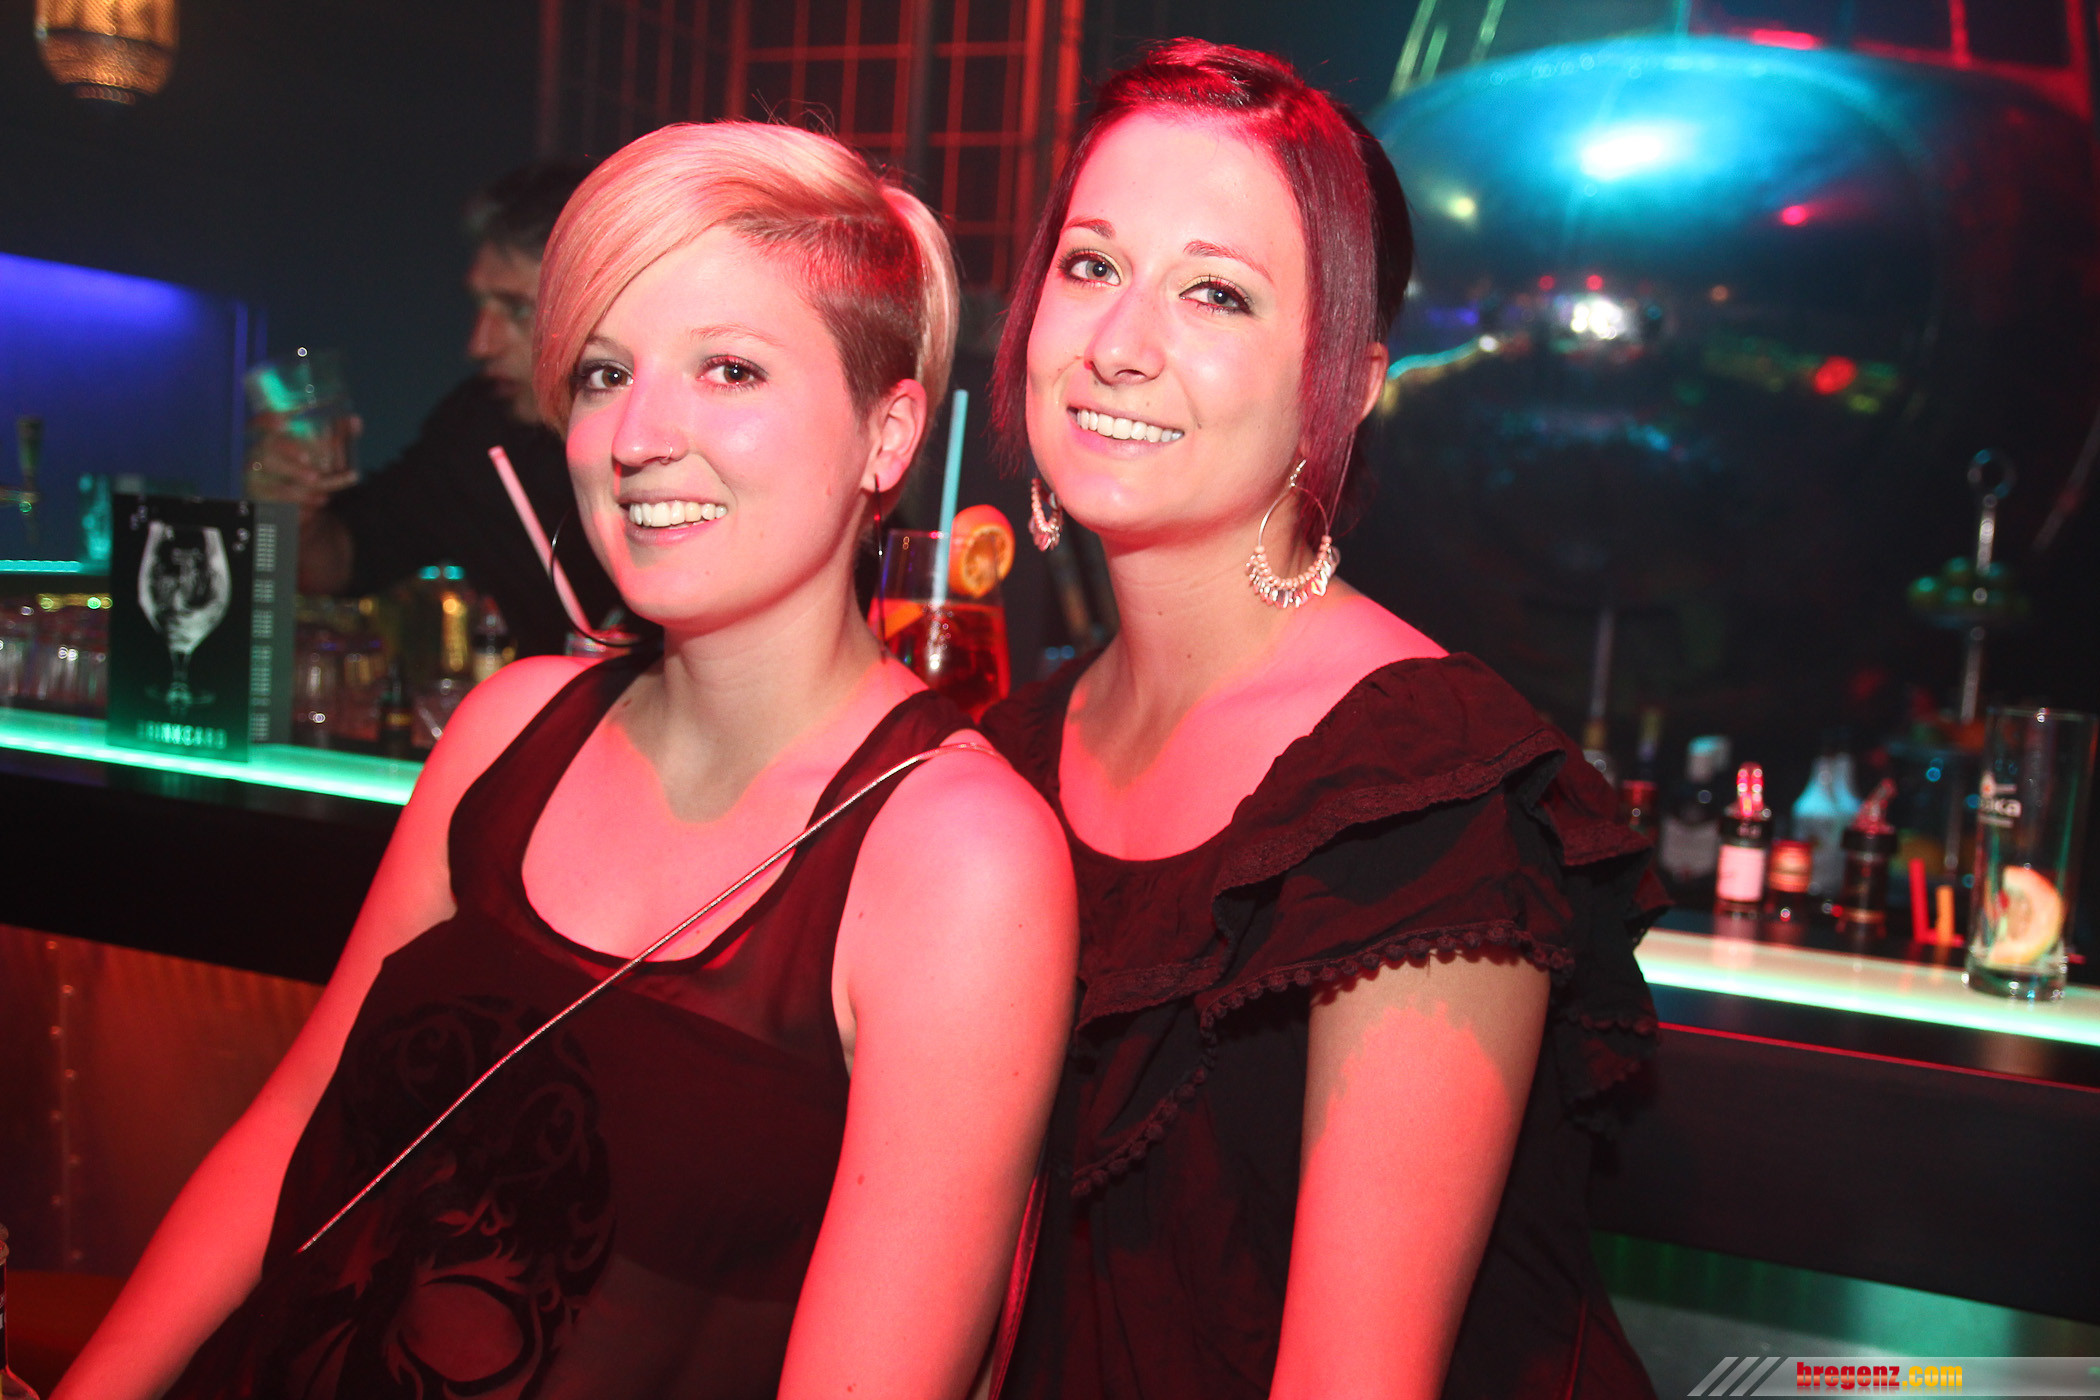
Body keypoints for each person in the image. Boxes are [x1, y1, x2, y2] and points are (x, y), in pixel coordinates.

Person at [58, 121, 1077, 1400]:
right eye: (604, 371)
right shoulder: (510, 727)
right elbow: (293, 1130)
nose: (638, 434)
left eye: (730, 368)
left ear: (889, 433)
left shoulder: (956, 858)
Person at [979, 40, 1665, 1400]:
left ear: (1346, 385)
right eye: (1091, 266)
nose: (1118, 345)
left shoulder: (1419, 792)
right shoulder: (1007, 758)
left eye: (1215, 293)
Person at [247, 160, 622, 656]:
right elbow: (340, 564)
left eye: (517, 309)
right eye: (481, 305)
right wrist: (295, 507)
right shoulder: (477, 428)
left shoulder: (671, 433)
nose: (479, 344)